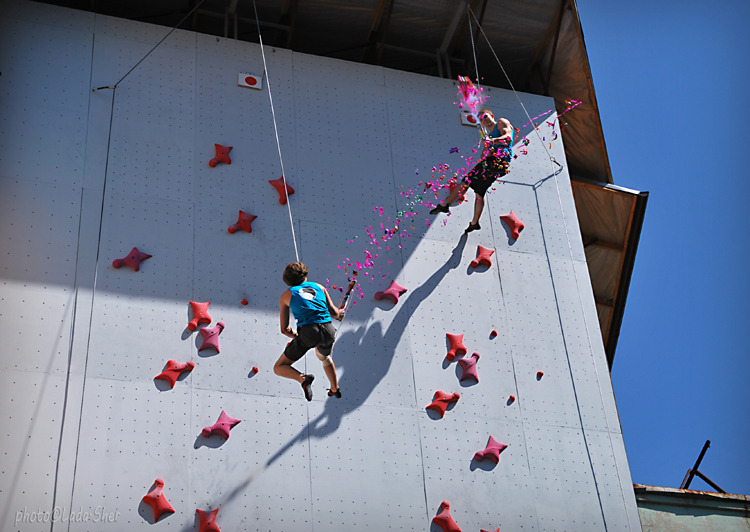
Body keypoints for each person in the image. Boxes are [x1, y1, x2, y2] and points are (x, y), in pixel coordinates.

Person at [430, 109, 513, 233]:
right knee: (479, 192)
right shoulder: (489, 137)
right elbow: (483, 156)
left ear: (492, 116)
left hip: (499, 162)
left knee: (467, 180)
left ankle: (445, 205)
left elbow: (507, 139)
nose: (484, 120)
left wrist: (491, 142)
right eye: (481, 119)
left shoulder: (501, 123)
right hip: (492, 163)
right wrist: (487, 148)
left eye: (485, 117)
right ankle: (474, 222)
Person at [274, 261, 345, 401]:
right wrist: (340, 313)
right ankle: (334, 388)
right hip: (328, 331)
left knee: (279, 367)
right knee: (324, 357)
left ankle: (303, 379)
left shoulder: (286, 296)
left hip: (308, 332)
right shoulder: (319, 287)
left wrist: (297, 336)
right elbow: (335, 313)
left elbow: (285, 329)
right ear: (305, 276)